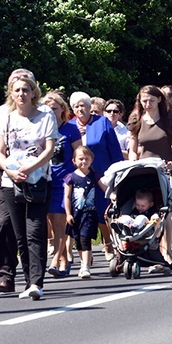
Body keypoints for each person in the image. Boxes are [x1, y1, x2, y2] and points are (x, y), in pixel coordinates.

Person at [0, 75, 58, 300]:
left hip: (38, 180)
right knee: (20, 234)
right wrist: (10, 172)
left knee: (35, 232)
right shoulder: (7, 118)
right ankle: (27, 282)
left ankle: (36, 283)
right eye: (17, 90)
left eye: (25, 90)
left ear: (33, 93)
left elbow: (49, 149)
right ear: (11, 94)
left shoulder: (45, 116)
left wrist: (30, 168)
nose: (21, 94)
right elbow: (1, 152)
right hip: (11, 182)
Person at [128, 85, 172, 263]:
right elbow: (133, 148)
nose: (147, 104)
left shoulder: (169, 119)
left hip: (164, 170)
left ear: (159, 99)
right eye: (144, 101)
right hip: (144, 170)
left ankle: (166, 250)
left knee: (166, 211)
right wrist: (132, 163)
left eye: (151, 100)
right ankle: (145, 248)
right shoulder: (136, 119)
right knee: (145, 211)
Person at [65, 91, 123, 262]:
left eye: (83, 105)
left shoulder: (102, 122)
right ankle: (84, 253)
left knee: (102, 213)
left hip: (101, 177)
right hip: (79, 180)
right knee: (80, 214)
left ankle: (108, 245)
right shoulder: (70, 126)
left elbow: (115, 150)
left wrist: (117, 174)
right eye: (76, 106)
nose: (80, 109)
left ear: (90, 107)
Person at [43, 92, 80, 277]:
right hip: (44, 180)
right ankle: (65, 261)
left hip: (64, 181)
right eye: (47, 109)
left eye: (54, 108)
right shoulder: (40, 129)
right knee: (51, 223)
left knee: (59, 223)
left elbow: (79, 154)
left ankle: (55, 261)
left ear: (62, 109)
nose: (51, 112)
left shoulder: (70, 129)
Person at [64, 146, 105, 278]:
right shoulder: (70, 177)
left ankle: (86, 266)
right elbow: (68, 197)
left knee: (85, 238)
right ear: (74, 160)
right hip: (76, 214)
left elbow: (105, 188)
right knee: (78, 241)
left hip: (90, 214)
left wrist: (114, 195)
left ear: (91, 160)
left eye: (86, 159)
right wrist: (68, 214)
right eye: (80, 159)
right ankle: (84, 262)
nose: (84, 161)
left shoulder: (94, 175)